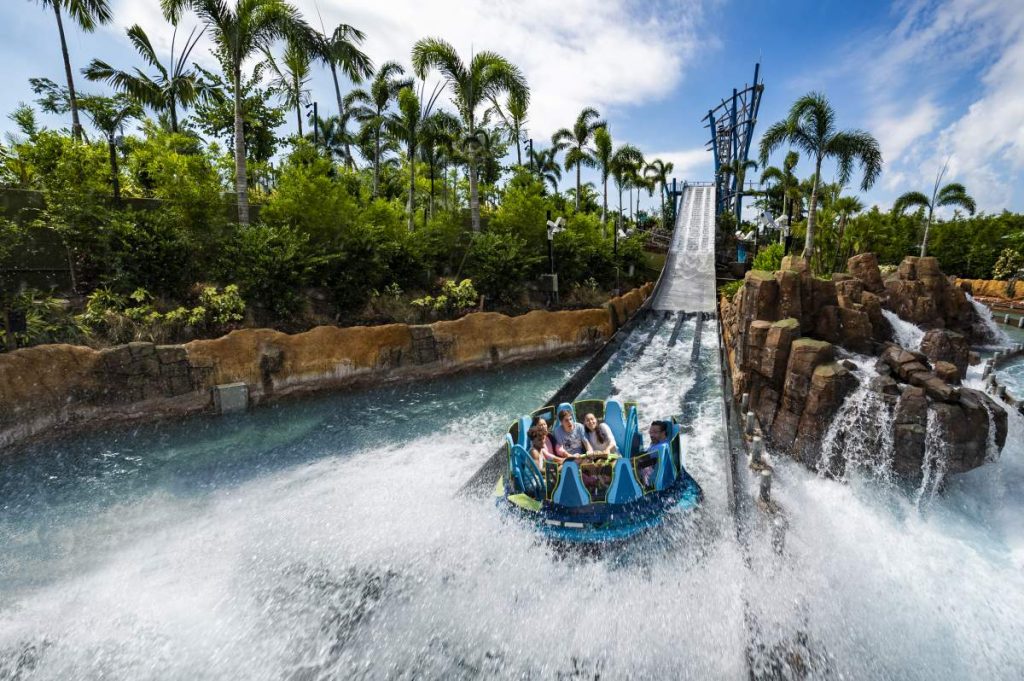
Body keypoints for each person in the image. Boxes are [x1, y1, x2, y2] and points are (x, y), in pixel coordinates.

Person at [639, 420, 671, 486]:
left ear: (663, 433)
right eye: (650, 432)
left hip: (653, 481)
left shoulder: (661, 447)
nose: (651, 435)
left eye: (655, 432)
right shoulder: (657, 441)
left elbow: (644, 461)